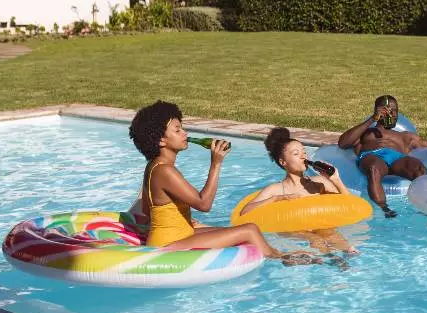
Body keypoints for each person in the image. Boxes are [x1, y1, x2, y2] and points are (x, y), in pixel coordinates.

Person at [128, 101, 301, 263]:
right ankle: (282, 259)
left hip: (177, 235)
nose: (185, 133)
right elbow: (204, 204)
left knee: (236, 230)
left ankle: (279, 254)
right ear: (161, 140)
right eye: (177, 130)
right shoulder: (165, 170)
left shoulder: (154, 166)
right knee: (249, 230)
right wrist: (216, 163)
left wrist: (181, 221)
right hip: (168, 244)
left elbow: (147, 209)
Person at [337, 95, 427, 217]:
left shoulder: (406, 137)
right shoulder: (365, 133)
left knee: (419, 168)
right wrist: (372, 119)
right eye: (387, 110)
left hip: (397, 158)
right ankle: (385, 210)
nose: (391, 114)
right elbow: (343, 143)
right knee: (374, 169)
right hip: (373, 156)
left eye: (395, 111)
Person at [239, 127, 360, 267]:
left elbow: (350, 205)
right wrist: (277, 199)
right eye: (296, 154)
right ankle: (330, 258)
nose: (304, 157)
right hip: (293, 231)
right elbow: (245, 212)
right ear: (283, 162)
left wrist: (337, 180)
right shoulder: (276, 190)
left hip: (320, 224)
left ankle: (347, 251)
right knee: (313, 236)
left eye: (304, 152)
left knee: (327, 231)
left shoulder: (319, 182)